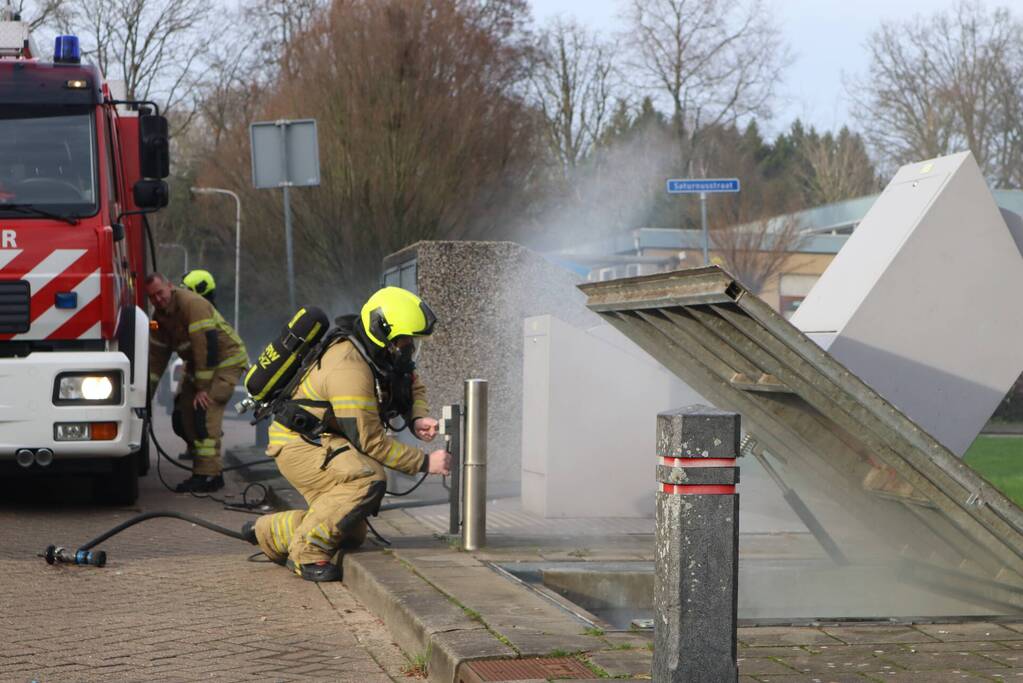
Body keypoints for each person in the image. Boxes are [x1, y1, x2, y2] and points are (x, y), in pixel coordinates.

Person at [245, 287, 451, 581]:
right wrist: (425, 463)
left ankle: (268, 531)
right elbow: (371, 442)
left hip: (324, 439)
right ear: (383, 331)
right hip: (299, 444)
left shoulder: (379, 354)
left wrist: (416, 417)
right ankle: (306, 554)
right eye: (406, 342)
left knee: (350, 531)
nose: (410, 350)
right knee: (368, 479)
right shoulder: (348, 369)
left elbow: (411, 383)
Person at [146, 272, 249, 492]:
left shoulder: (192, 304)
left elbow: (206, 345)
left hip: (225, 361)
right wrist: (145, 396)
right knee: (183, 416)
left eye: (160, 293)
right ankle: (204, 471)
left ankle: (208, 476)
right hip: (200, 365)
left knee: (204, 412)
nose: (157, 299)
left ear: (170, 286)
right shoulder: (159, 318)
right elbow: (156, 359)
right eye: (152, 297)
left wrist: (202, 389)